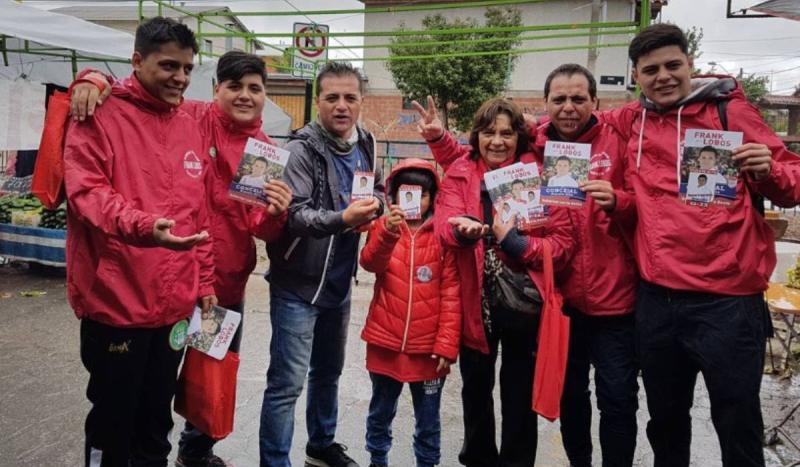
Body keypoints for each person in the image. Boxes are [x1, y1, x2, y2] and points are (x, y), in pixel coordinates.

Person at [69, 49, 294, 467]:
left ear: (265, 95)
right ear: (215, 90)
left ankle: (195, 451)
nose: (244, 96)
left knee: (208, 375)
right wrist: (92, 78)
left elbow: (258, 226)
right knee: (145, 388)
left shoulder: (261, 150)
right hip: (167, 280)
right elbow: (141, 91)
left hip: (221, 287)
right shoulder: (191, 117)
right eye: (234, 87)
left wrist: (276, 215)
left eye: (255, 88)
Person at [593, 24, 800, 467]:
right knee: (665, 421)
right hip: (657, 301)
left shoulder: (731, 112)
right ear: (636, 76)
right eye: (651, 70)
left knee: (737, 419)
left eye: (673, 65)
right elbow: (570, 123)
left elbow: (793, 183)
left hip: (728, 303)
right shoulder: (632, 120)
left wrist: (768, 171)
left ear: (690, 64)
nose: (663, 77)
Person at [63, 17, 216, 467]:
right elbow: (86, 193)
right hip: (116, 304)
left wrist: (204, 282)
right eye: (169, 66)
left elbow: (199, 212)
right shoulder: (98, 113)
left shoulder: (190, 122)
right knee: (113, 423)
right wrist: (145, 227)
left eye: (188, 68)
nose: (180, 78)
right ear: (136, 61)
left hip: (173, 309)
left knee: (156, 423)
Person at [414, 96, 576, 466]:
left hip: (525, 299)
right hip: (475, 300)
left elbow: (562, 244)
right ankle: (479, 458)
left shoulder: (539, 171)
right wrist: (465, 233)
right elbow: (444, 227)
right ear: (477, 137)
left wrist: (518, 244)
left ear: (519, 136)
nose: (498, 141)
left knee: (519, 395)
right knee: (475, 390)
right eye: (489, 133)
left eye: (507, 132)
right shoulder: (459, 170)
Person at [261, 61, 384, 467]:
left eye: (350, 97)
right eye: (332, 97)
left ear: (361, 101)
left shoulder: (366, 142)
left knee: (328, 373)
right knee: (286, 384)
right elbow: (294, 215)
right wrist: (343, 219)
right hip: (297, 283)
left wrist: (378, 205)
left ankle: (321, 444)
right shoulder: (300, 150)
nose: (342, 106)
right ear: (319, 102)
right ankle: (275, 461)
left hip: (339, 283)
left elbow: (378, 189)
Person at [534, 63, 639, 467]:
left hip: (617, 304)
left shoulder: (619, 140)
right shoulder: (536, 145)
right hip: (562, 303)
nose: (568, 107)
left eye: (578, 98)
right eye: (559, 99)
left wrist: (621, 202)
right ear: (546, 104)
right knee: (571, 397)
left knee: (617, 400)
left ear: (595, 101)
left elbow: (650, 205)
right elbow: (479, 151)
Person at [359, 158, 461, 467]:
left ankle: (427, 463)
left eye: (422, 193)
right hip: (385, 344)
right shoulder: (383, 225)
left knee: (428, 421)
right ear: (394, 195)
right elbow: (370, 264)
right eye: (406, 192)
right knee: (380, 412)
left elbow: (451, 293)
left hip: (428, 351)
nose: (414, 200)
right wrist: (387, 233)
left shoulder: (443, 235)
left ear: (433, 197)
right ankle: (377, 460)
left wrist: (446, 344)